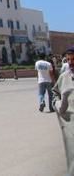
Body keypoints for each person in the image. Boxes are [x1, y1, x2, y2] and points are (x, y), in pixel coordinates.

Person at [52, 46, 74, 175]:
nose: (71, 63)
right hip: (70, 123)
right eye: (68, 59)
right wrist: (57, 104)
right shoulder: (64, 76)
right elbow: (55, 92)